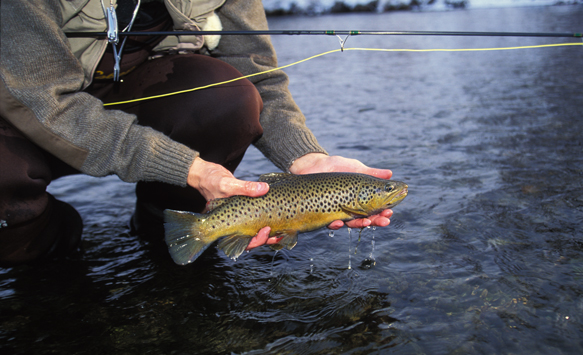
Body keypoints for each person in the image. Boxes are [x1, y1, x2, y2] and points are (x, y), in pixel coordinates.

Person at [0, 0, 394, 263]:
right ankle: (49, 250)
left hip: (151, 82)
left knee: (227, 99)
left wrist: (307, 157)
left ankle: (162, 228)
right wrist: (185, 167)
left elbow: (259, 77)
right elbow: (40, 98)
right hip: (25, 96)